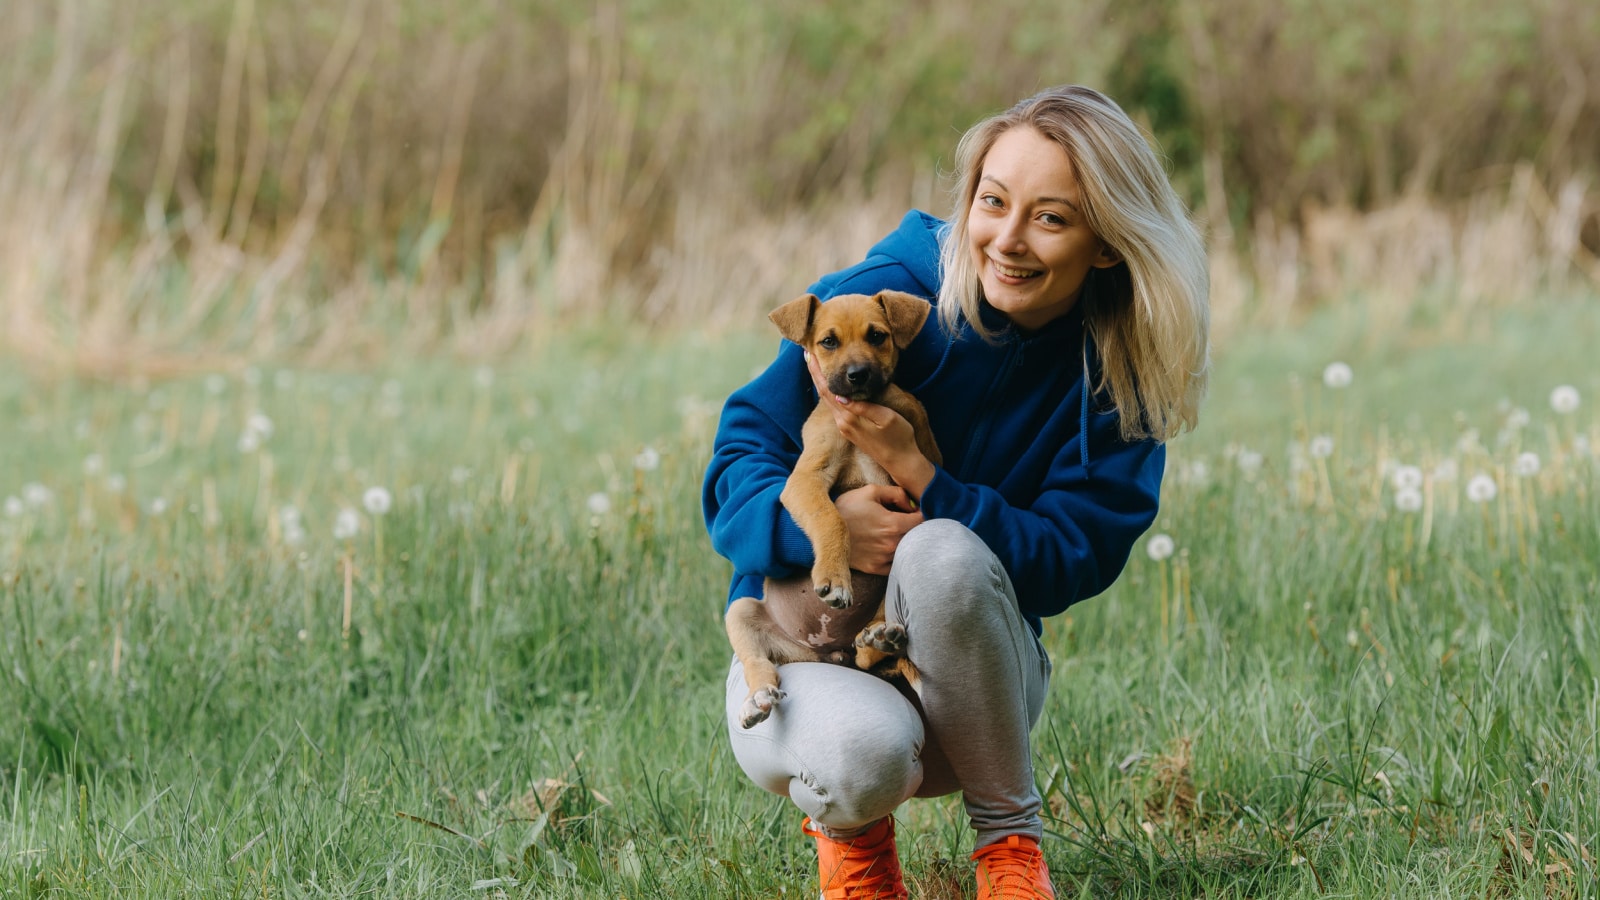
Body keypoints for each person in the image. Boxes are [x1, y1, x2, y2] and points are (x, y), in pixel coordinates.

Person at [702, 85, 1209, 900]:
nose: (1005, 241)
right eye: (992, 201)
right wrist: (823, 533)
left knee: (942, 549)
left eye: (1050, 218)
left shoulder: (1116, 375)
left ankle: (1011, 849)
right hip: (802, 649)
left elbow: (1068, 562)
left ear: (1106, 245)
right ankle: (856, 855)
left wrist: (926, 479)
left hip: (975, 684)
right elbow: (738, 458)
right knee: (857, 754)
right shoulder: (890, 291)